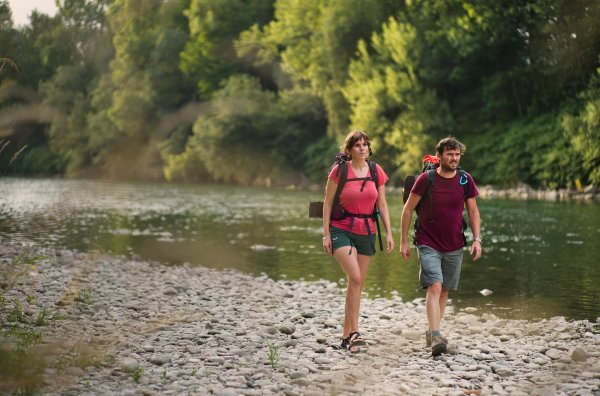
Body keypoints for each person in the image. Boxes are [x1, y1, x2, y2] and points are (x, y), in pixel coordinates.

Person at [399, 136, 482, 356]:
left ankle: (432, 330)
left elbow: (473, 212)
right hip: (427, 242)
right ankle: (436, 335)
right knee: (434, 286)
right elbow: (408, 209)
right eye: (449, 154)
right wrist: (403, 241)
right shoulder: (427, 179)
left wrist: (477, 239)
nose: (454, 158)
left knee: (444, 289)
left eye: (457, 154)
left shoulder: (465, 180)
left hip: (454, 243)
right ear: (439, 156)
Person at [322, 130, 394, 353]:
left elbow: (382, 205)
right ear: (349, 149)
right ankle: (355, 332)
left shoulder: (376, 171)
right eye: (357, 145)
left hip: (368, 231)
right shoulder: (339, 170)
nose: (362, 148)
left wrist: (389, 233)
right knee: (354, 277)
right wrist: (326, 234)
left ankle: (345, 336)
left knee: (357, 283)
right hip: (341, 229)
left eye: (365, 144)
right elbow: (326, 204)